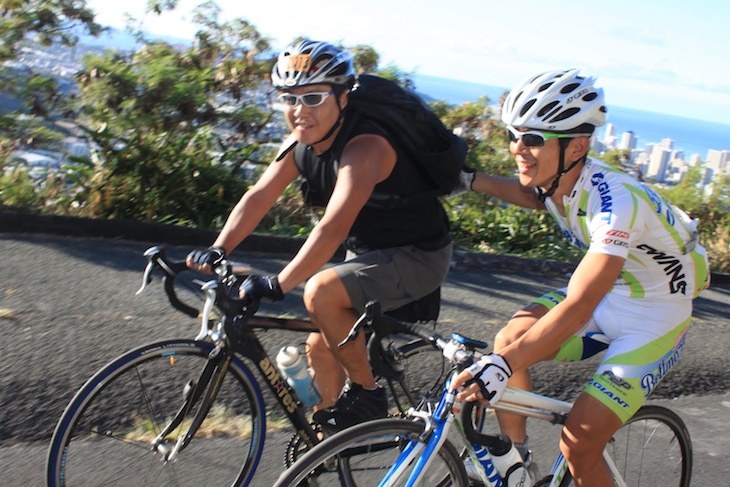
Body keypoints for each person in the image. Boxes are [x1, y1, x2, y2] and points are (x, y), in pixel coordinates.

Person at [451, 68, 710, 486]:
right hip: (616, 294)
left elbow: (580, 305)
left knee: (579, 444)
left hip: (654, 320)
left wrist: (501, 367)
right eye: (515, 135)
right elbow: (531, 196)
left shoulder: (615, 203)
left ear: (577, 147)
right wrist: (470, 180)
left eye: (534, 139)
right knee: (509, 339)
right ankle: (516, 464)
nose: (519, 149)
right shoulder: (559, 179)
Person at [187, 40, 453, 432]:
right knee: (320, 349)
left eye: (313, 98)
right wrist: (218, 247)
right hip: (366, 254)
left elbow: (332, 228)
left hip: (417, 255)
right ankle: (327, 448)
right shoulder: (302, 143)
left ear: (343, 98)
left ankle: (368, 395)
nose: (299, 111)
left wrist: (277, 284)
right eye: (288, 99)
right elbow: (259, 196)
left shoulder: (366, 147)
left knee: (320, 292)